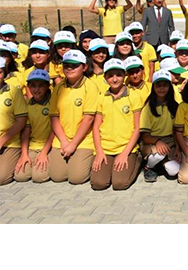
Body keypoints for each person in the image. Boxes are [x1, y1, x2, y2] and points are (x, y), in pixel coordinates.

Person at [48, 49, 99, 184]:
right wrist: (64, 141)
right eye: (67, 65)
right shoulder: (58, 88)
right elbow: (54, 117)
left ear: (84, 67)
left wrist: (74, 144)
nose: (70, 68)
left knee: (77, 178)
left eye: (75, 65)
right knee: (57, 176)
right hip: (62, 139)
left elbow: (89, 118)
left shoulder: (90, 87)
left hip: (83, 140)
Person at [91, 59, 142, 191]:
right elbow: (96, 127)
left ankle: (136, 160)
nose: (115, 79)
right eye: (110, 76)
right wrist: (99, 152)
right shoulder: (102, 98)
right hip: (106, 148)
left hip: (126, 147)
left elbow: (137, 128)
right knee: (98, 183)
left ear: (125, 75)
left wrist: (125, 153)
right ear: (105, 77)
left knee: (120, 183)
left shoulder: (133, 96)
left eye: (119, 75)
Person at [139, 70, 181, 182]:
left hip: (170, 141)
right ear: (153, 87)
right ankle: (149, 167)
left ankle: (160, 164)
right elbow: (145, 136)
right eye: (158, 85)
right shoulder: (148, 108)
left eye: (165, 85)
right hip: (151, 141)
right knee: (158, 155)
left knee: (174, 171)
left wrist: (178, 148)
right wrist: (158, 142)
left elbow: (177, 131)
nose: (162, 88)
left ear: (170, 87)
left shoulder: (175, 106)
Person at [14, 69, 54, 183]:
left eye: (41, 86)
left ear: (48, 86)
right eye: (33, 86)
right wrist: (24, 154)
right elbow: (26, 130)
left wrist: (44, 153)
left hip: (49, 147)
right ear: (28, 87)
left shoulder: (53, 103)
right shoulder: (26, 104)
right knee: (20, 176)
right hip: (32, 146)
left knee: (39, 177)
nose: (37, 89)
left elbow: (54, 130)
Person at [0, 57, 28, 185]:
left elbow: (21, 121)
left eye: (0, 72)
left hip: (9, 141)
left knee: (2, 178)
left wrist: (2, 141)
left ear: (5, 74)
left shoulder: (14, 91)